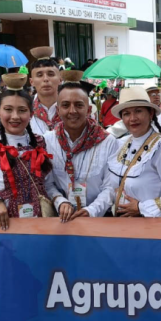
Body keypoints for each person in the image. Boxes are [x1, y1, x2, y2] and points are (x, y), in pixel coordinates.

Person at [0, 74, 66, 230]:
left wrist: (61, 201)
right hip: (3, 226)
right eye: (8, 109)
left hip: (40, 223)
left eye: (22, 110)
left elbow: (47, 184)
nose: (15, 116)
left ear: (31, 113)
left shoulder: (40, 143)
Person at [44, 70, 118, 220]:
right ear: (58, 111)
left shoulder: (108, 141)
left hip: (99, 218)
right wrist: (60, 201)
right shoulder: (48, 140)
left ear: (89, 110)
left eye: (79, 105)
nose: (72, 111)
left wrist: (91, 211)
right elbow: (48, 183)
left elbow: (110, 187)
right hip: (63, 219)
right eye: (65, 105)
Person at [106, 86, 161, 217]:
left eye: (138, 111)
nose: (132, 118)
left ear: (150, 114)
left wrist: (141, 207)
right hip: (117, 223)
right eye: (126, 114)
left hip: (147, 225)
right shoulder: (120, 143)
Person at [28, 47, 62, 135]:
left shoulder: (71, 108)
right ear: (31, 82)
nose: (46, 79)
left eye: (51, 74)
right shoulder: (25, 109)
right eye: (39, 75)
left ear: (60, 79)